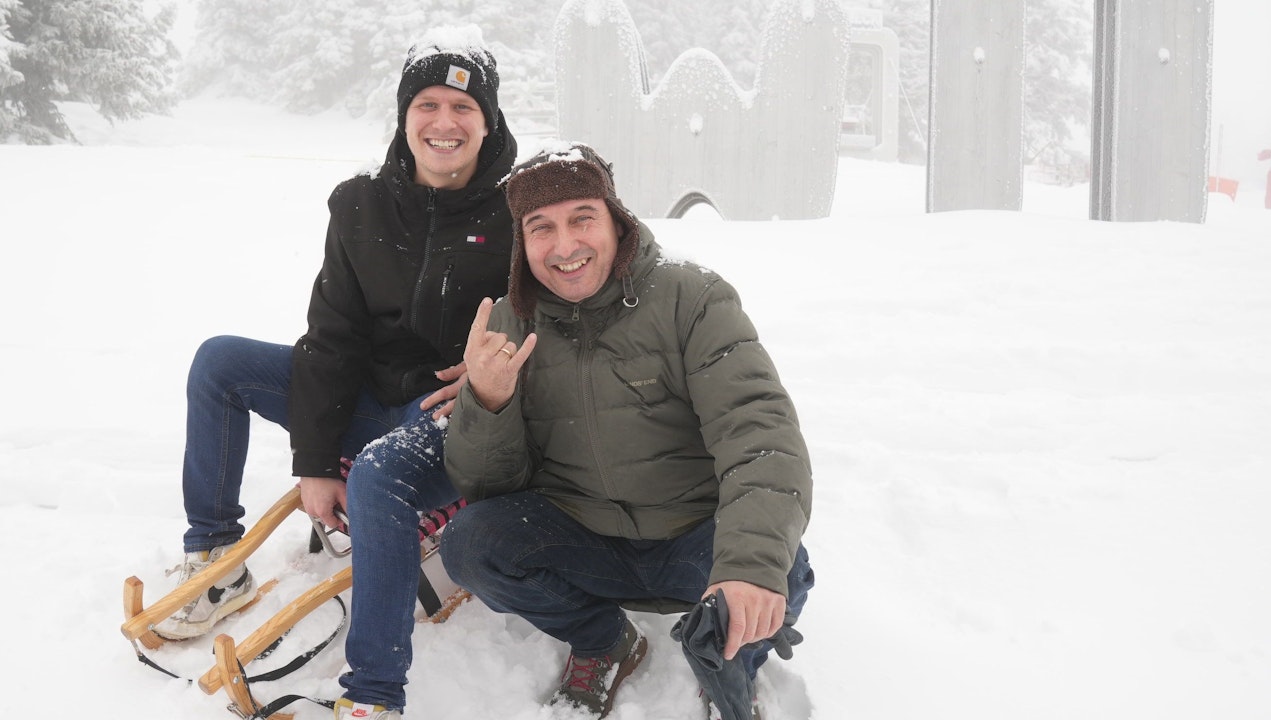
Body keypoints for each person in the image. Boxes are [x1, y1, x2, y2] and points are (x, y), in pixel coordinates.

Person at [154, 28, 517, 720]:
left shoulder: (519, 211)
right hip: (367, 396)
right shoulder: (360, 205)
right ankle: (215, 558)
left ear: (488, 120)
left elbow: (555, 319)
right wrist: (316, 461)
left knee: (381, 472)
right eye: (427, 104)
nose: (443, 122)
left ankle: (374, 694)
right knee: (220, 362)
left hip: (447, 410)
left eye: (463, 108)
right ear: (404, 115)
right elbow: (332, 337)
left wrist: (492, 375)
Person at [438, 142, 815, 720]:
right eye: (541, 228)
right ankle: (603, 641)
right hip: (584, 538)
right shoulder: (511, 321)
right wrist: (487, 401)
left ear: (617, 221)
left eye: (582, 218)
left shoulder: (693, 297)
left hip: (693, 539)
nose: (565, 246)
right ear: (522, 242)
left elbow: (760, 435)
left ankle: (727, 658)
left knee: (779, 569)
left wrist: (746, 570)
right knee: (471, 543)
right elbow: (490, 488)